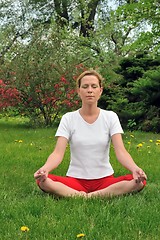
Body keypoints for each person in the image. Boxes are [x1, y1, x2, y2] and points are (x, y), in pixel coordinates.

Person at [34, 69, 147, 198]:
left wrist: (134, 169)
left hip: (105, 181)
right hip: (75, 180)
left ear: (100, 91)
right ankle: (96, 195)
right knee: (43, 181)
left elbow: (121, 152)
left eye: (94, 86)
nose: (89, 90)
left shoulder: (110, 117)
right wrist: (45, 169)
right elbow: (57, 153)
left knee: (139, 181)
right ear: (78, 91)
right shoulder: (68, 118)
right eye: (85, 86)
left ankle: (85, 196)